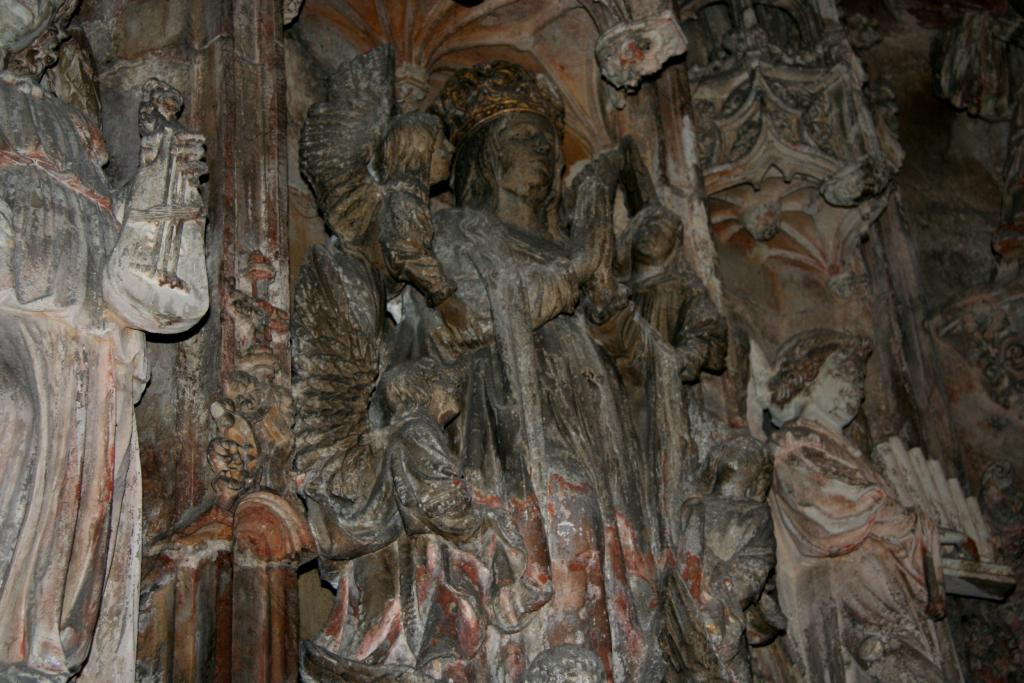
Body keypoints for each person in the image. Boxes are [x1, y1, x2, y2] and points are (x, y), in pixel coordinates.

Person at [0, 2, 208, 679]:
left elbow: (116, 236)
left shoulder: (70, 129)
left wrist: (160, 178)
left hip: (87, 337)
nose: (47, 38)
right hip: (17, 309)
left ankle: (35, 647)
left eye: (54, 26)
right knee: (12, 414)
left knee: (78, 498)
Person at [766, 329, 963, 682]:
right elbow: (825, 509)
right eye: (842, 375)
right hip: (850, 586)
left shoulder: (854, 456)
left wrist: (916, 529)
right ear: (808, 380)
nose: (853, 389)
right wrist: (905, 523)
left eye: (858, 381)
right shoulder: (793, 444)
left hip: (884, 584)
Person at [662, 435, 775, 682]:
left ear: (759, 475)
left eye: (752, 454)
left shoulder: (757, 515)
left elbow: (757, 562)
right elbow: (672, 550)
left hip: (721, 609)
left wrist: (718, 586)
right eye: (735, 448)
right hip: (681, 606)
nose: (742, 454)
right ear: (716, 459)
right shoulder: (692, 507)